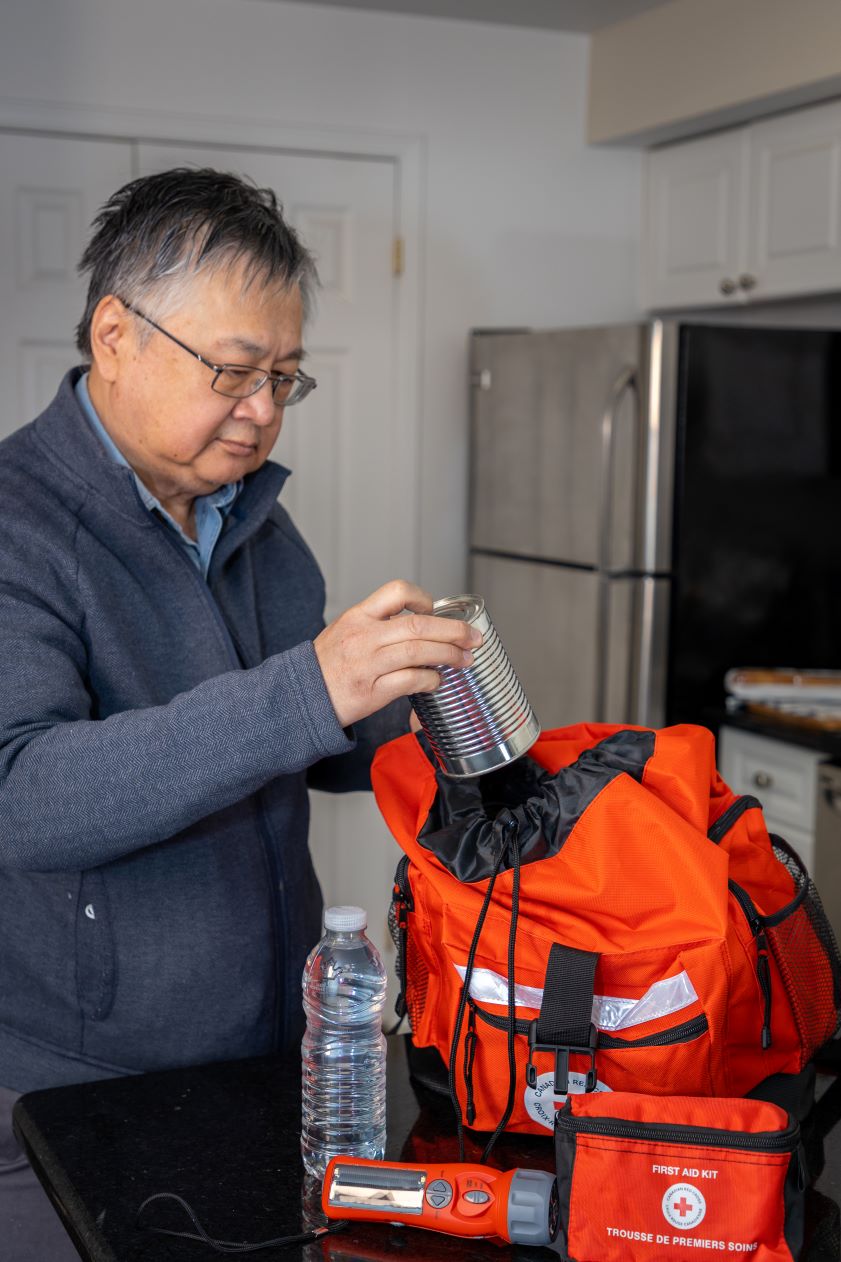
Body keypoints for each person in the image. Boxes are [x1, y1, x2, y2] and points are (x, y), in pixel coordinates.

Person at [0, 167, 480, 1258]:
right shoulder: (14, 525)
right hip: (75, 1089)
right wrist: (311, 685)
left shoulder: (255, 520)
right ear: (115, 334)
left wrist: (427, 704)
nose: (261, 409)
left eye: (285, 378)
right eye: (233, 370)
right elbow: (22, 795)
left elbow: (305, 746)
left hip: (272, 1049)